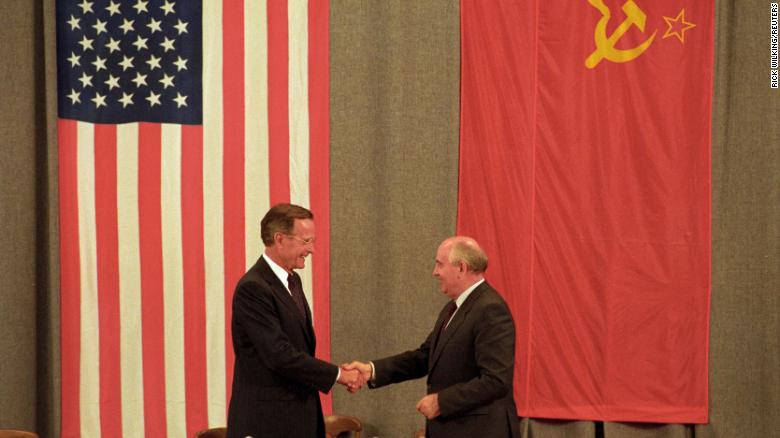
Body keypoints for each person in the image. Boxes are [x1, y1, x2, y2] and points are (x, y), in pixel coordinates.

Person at [344, 236, 520, 438]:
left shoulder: (490, 309)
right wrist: (372, 371)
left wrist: (441, 402)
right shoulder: (453, 308)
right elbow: (425, 356)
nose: (434, 272)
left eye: (439, 264)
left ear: (461, 268)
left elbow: (496, 380)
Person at [227, 203, 362, 438]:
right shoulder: (253, 288)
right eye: (305, 241)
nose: (312, 250)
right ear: (279, 239)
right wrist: (338, 375)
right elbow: (280, 355)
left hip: (298, 420)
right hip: (267, 423)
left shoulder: (293, 281)